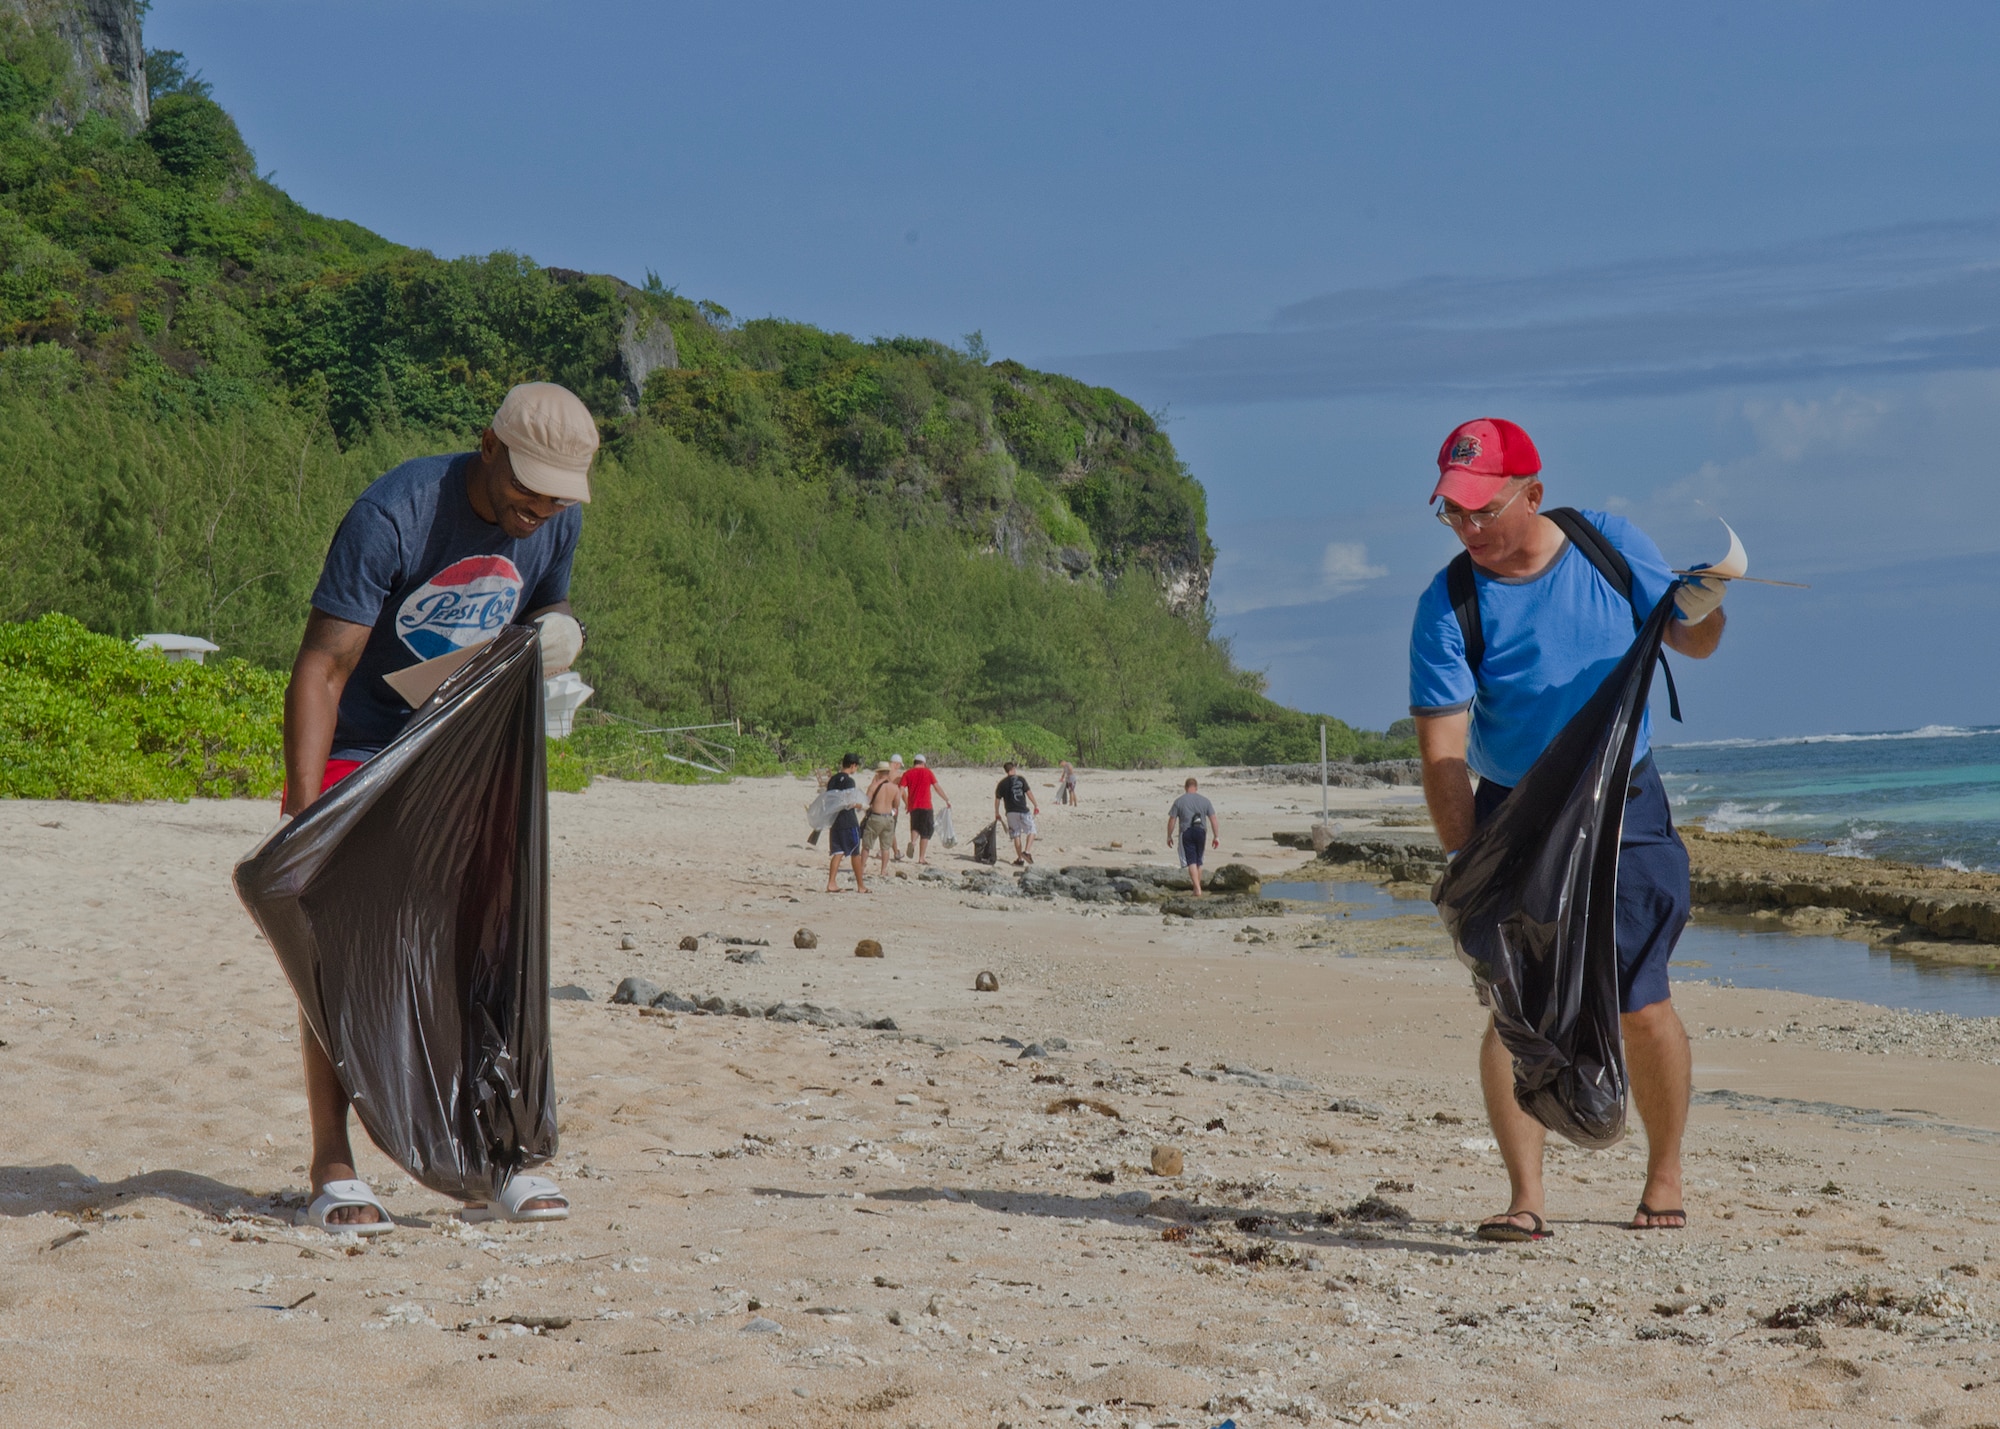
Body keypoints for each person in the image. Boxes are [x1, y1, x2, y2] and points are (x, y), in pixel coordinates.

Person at [280, 381, 597, 1233]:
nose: (538, 508)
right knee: (341, 950)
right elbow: (322, 666)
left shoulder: (554, 513)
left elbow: (544, 603)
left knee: (487, 945)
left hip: (465, 744)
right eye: (526, 486)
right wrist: (304, 819)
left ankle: (505, 1156)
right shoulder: (397, 512)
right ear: (486, 446)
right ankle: (332, 1165)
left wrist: (558, 627)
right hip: (367, 739)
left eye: (557, 494)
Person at [1408, 417, 1728, 1242]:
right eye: (1454, 512)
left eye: (1483, 509)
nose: (1469, 527)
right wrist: (1468, 868)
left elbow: (1692, 640)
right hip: (1516, 813)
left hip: (1626, 801)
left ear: (1534, 494)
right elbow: (1443, 755)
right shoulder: (1447, 605)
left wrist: (1708, 600)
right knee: (1514, 1002)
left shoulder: (1606, 545)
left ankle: (1664, 1174)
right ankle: (1526, 1196)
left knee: (1640, 1000)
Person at [1165, 777, 1221, 895]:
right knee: (1199, 861)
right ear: (1196, 787)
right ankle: (1196, 888)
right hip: (1201, 831)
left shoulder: (1179, 801)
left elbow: (1172, 820)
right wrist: (1216, 836)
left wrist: (1169, 836)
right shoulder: (1205, 801)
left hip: (1187, 832)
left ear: (1185, 787)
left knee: (1191, 861)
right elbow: (1213, 819)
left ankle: (1197, 889)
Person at [824, 753, 867, 893]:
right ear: (853, 765)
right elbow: (848, 802)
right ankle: (861, 886)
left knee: (838, 852)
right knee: (855, 853)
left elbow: (831, 800)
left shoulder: (832, 780)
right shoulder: (849, 781)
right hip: (848, 820)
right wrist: (861, 806)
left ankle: (831, 883)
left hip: (835, 820)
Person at [899, 754, 950, 864]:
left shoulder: (907, 773)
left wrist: (898, 803)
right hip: (926, 805)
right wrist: (946, 799)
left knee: (915, 826)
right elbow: (937, 787)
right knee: (926, 832)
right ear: (923, 763)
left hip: (913, 806)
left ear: (914, 763)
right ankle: (921, 858)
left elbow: (901, 789)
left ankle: (913, 842)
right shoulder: (928, 772)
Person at [993, 760, 1040, 865]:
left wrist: (997, 812)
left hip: (1010, 812)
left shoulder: (1002, 783)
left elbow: (997, 799)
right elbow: (1028, 792)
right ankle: (1027, 852)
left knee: (1016, 834)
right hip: (1022, 810)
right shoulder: (1021, 779)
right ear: (1013, 769)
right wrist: (1035, 805)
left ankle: (1020, 859)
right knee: (1032, 830)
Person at [862, 760, 901, 878]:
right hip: (888, 817)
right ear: (888, 773)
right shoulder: (894, 788)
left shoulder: (873, 786)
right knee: (885, 847)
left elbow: (866, 802)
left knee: (867, 845)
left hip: (876, 816)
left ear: (878, 773)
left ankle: (862, 867)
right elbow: (896, 805)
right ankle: (883, 870)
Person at [888, 754, 908, 861]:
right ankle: (896, 852)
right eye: (899, 765)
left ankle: (882, 851)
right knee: (891, 828)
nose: (899, 767)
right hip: (892, 806)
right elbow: (902, 790)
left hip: (879, 805)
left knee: (884, 827)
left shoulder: (880, 773)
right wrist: (907, 803)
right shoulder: (897, 775)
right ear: (896, 764)